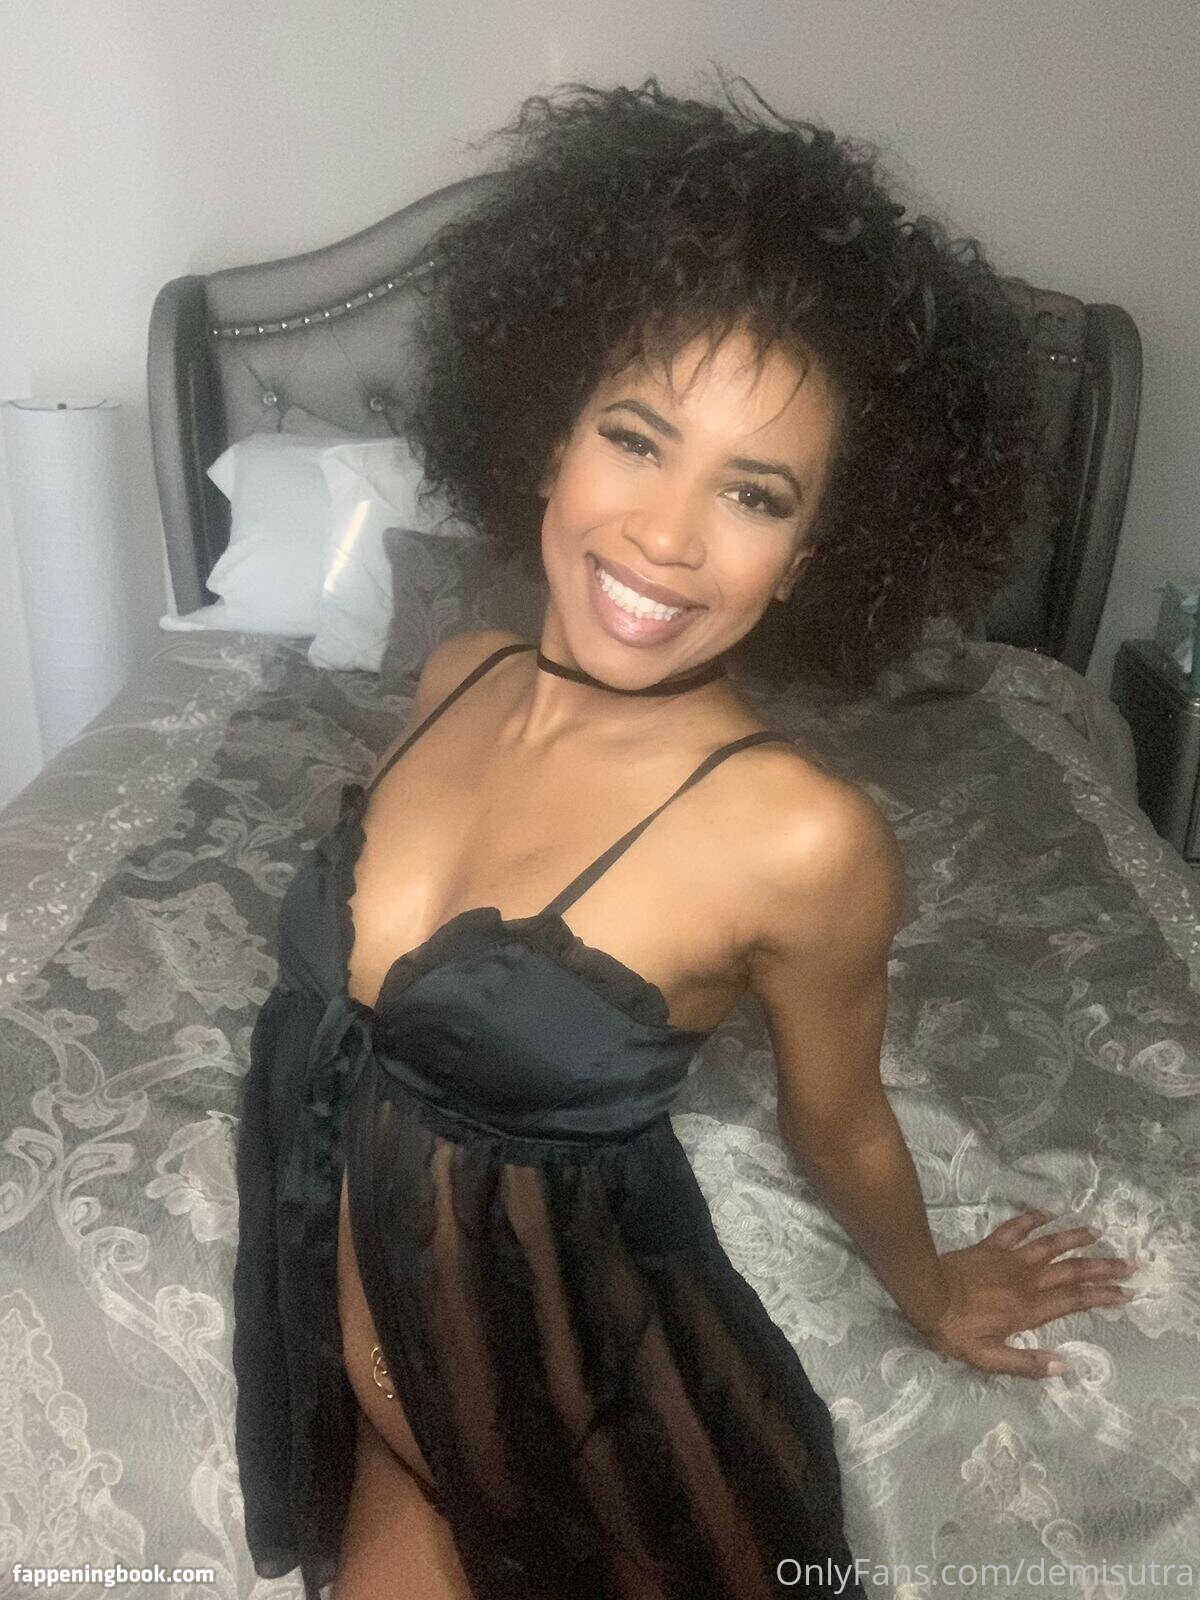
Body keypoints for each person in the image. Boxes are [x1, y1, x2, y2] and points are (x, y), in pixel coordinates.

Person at [232, 72, 1137, 1600]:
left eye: (755, 494)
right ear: (550, 438)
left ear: (811, 557)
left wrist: (932, 1292)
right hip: (378, 1415)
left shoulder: (800, 837)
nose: (665, 534)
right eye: (638, 438)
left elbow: (841, 1123)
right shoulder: (456, 678)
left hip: (601, 1450)